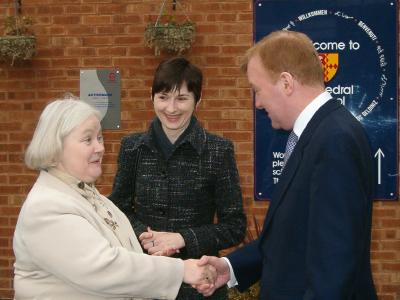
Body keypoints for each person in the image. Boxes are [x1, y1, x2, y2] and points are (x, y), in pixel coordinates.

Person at [196, 30, 378, 299]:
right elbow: (291, 234)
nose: (257, 103)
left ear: (286, 83)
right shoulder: (319, 133)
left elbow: (333, 266)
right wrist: (230, 267)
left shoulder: (334, 140)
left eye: (257, 90)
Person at [13, 97, 216, 300]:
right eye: (88, 139)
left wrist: (148, 252)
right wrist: (180, 270)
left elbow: (116, 256)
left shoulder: (91, 196)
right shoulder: (46, 207)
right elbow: (104, 268)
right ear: (55, 148)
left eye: (99, 138)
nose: (100, 148)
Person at [109, 57, 246, 299]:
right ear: (151, 97)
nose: (171, 108)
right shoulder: (132, 148)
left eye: (182, 98)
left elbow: (234, 226)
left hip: (200, 287)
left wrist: (183, 238)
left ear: (198, 100)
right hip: (143, 282)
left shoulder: (218, 150)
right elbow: (117, 209)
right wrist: (146, 236)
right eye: (163, 97)